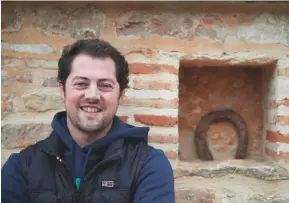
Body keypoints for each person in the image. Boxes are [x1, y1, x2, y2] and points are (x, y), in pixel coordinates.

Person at [1, 38, 175, 203]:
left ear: (121, 94)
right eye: (81, 84)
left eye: (105, 85)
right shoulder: (20, 168)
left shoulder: (149, 165)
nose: (92, 95)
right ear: (62, 90)